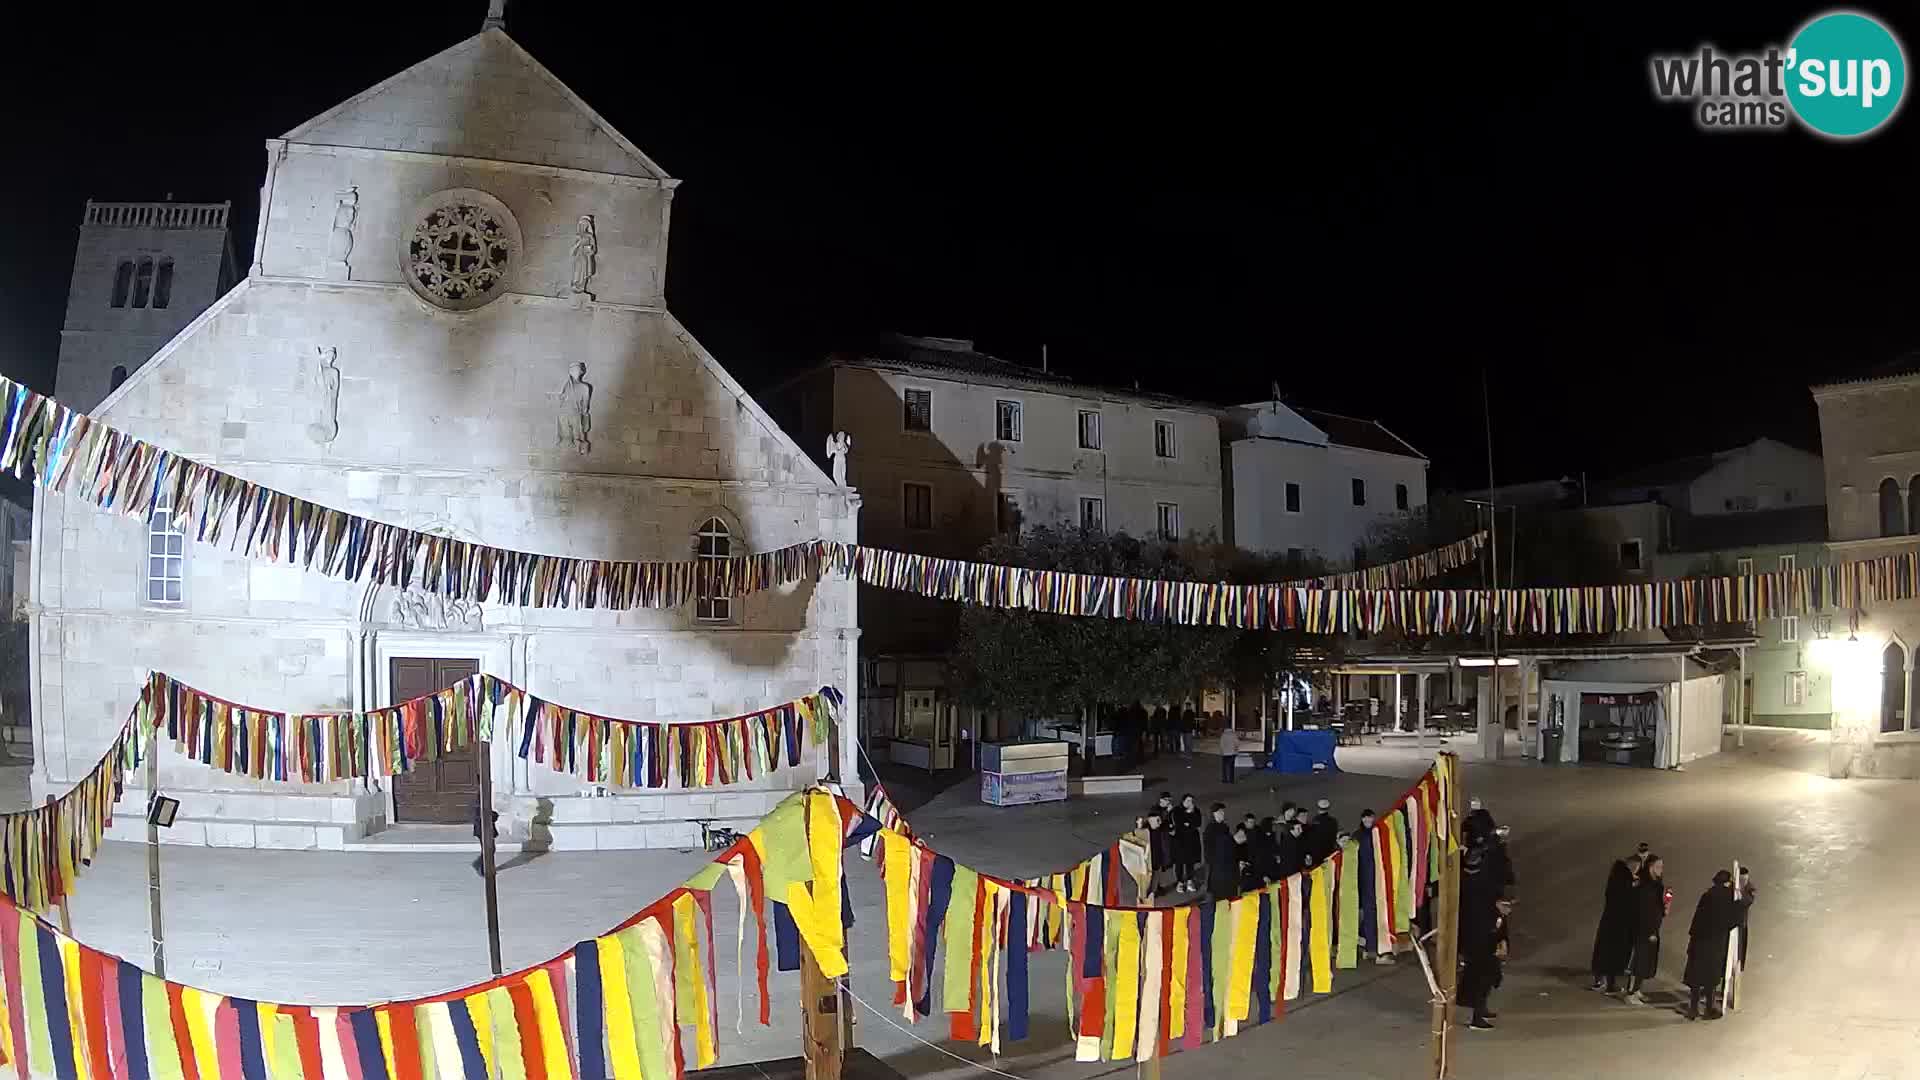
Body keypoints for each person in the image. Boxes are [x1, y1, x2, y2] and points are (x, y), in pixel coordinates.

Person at [1683, 869, 1751, 1020]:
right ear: (1728, 883)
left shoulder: (1707, 895)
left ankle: (1693, 1009)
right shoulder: (1728, 897)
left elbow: (1696, 918)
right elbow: (1738, 916)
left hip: (1698, 941)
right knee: (1710, 977)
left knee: (1696, 976)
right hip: (1715, 943)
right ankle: (1708, 1008)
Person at [1589, 856, 1642, 992]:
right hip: (1618, 924)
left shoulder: (1616, 878)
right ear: (1632, 866)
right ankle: (1607, 983)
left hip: (1610, 922)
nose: (1637, 870)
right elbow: (1627, 900)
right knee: (1613, 953)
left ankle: (1602, 981)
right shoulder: (1624, 881)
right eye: (1637, 867)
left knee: (1606, 952)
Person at [1625, 854, 1669, 1004]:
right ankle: (1630, 993)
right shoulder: (1645, 886)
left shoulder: (1656, 885)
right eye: (1658, 867)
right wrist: (1650, 930)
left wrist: (1664, 908)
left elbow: (1655, 908)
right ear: (1650, 867)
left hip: (1652, 928)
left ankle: (1637, 990)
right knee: (1639, 960)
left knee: (1646, 961)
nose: (1661, 870)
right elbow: (1644, 910)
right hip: (1644, 929)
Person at [1204, 803, 1240, 899]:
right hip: (1218, 867)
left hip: (1226, 865)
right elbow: (1212, 848)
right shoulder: (1210, 829)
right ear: (1213, 814)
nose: (1222, 813)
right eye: (1220, 812)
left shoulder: (1224, 827)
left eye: (1223, 811)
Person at [1171, 794, 1205, 894]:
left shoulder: (1196, 810)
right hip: (1180, 841)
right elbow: (1179, 823)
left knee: (1190, 861)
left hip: (1192, 840)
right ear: (1183, 801)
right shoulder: (1177, 810)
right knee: (1179, 862)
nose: (1190, 803)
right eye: (1188, 800)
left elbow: (1198, 823)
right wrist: (1188, 822)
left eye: (1191, 800)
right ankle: (1180, 882)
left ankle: (1190, 880)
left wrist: (1190, 817)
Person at [1143, 808, 1174, 900]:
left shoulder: (1162, 829)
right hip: (1147, 859)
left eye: (1160, 820)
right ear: (1150, 819)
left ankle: (1153, 892)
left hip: (1158, 858)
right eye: (1157, 820)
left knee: (1156, 875)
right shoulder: (1144, 831)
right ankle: (1147, 893)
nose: (1159, 822)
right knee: (1147, 877)